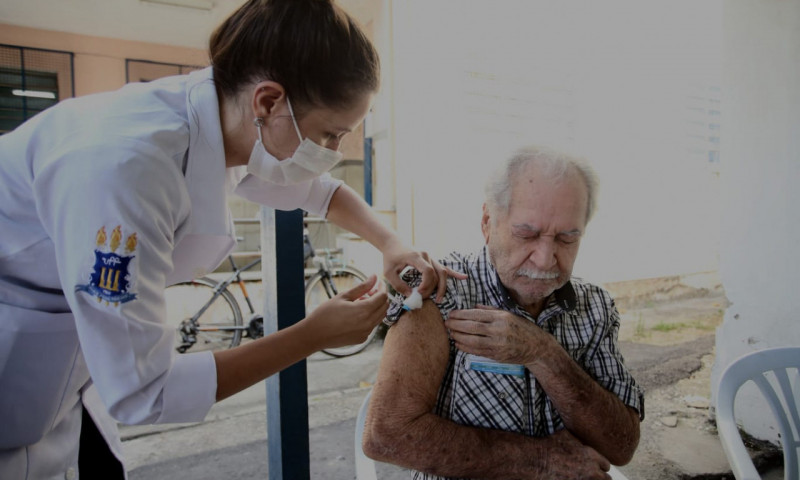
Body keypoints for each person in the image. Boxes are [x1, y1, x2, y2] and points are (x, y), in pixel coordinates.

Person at [0, 1, 464, 478]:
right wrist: (313, 335)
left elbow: (320, 191)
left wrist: (390, 244)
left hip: (57, 379)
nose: (332, 153)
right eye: (329, 134)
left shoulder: (226, 122)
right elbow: (144, 392)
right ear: (268, 101)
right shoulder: (124, 171)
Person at [363, 145, 644, 480]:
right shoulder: (440, 294)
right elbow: (386, 436)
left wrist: (544, 353)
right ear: (487, 222)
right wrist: (539, 461)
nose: (545, 259)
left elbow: (621, 447)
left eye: (567, 239)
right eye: (527, 234)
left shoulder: (594, 306)